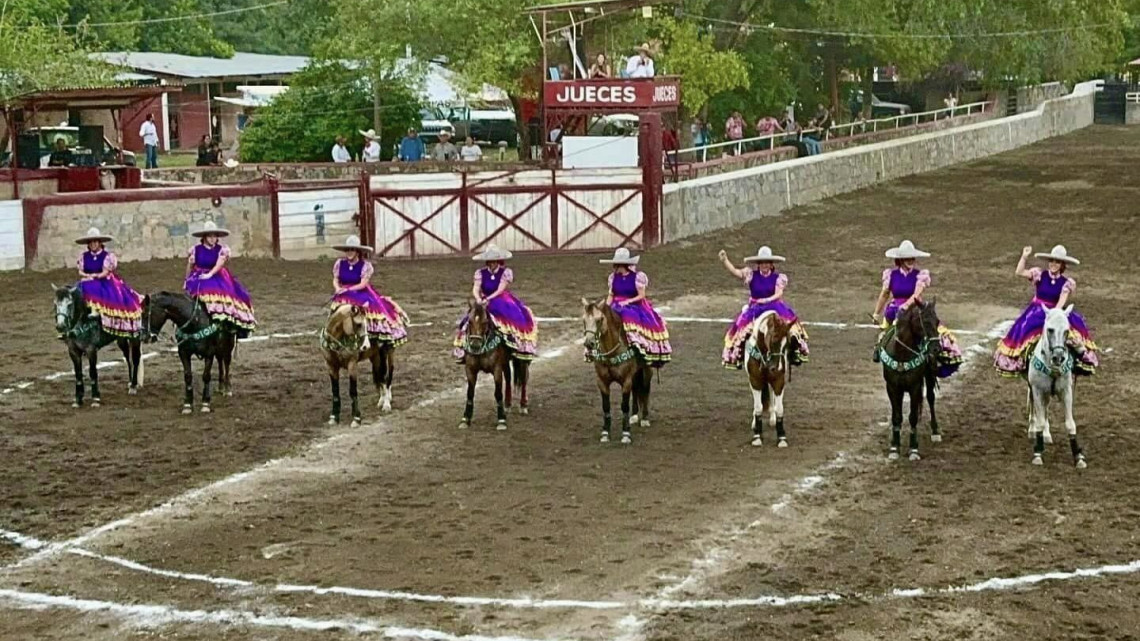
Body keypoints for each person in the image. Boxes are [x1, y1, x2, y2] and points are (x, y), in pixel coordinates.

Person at [994, 245, 1099, 377]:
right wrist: (1024, 257)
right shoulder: (1039, 275)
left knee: (1072, 334)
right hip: (1036, 311)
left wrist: (1054, 316)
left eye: (1057, 262)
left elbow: (1061, 302)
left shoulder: (1066, 283)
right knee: (1025, 330)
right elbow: (1019, 272)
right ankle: (1022, 362)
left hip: (1055, 311)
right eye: (1052, 261)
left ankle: (1077, 361)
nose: (1053, 264)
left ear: (1062, 265)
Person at [871, 240, 962, 377]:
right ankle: (880, 350)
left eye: (912, 258)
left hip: (915, 309)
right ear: (901, 260)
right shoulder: (891, 275)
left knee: (932, 329)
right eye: (907, 258)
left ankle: (938, 358)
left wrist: (906, 306)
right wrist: (877, 313)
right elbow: (884, 294)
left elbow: (916, 294)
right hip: (895, 310)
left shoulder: (920, 275)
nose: (910, 261)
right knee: (885, 335)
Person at [719, 246, 809, 368]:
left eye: (767, 262)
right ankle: (738, 357)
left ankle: (794, 353)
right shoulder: (751, 274)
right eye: (762, 262)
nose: (764, 265)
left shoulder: (778, 278)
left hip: (774, 306)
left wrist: (766, 300)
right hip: (756, 308)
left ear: (771, 264)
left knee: (790, 328)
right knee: (740, 329)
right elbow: (736, 272)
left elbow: (779, 293)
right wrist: (725, 261)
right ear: (758, 264)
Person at [452, 246, 538, 362]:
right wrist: (478, 298)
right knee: (469, 319)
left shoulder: (505, 273)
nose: (492, 264)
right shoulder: (480, 273)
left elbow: (500, 290)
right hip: (484, 299)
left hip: (500, 299)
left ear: (498, 261)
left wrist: (488, 298)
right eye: (490, 261)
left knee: (512, 317)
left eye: (494, 261)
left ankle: (515, 344)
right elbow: (476, 288)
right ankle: (463, 347)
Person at [591, 247, 671, 366]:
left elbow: (642, 295)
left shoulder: (637, 277)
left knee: (628, 315)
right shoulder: (613, 278)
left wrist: (628, 301)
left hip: (634, 305)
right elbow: (611, 295)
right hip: (616, 303)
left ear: (622, 265)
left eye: (616, 265)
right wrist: (606, 308)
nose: (614, 267)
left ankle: (635, 343)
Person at [330, 235, 408, 347]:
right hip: (343, 293)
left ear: (357, 251)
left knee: (366, 306)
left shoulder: (365, 266)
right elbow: (335, 279)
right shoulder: (339, 263)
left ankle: (369, 334)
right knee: (336, 308)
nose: (349, 252)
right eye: (347, 250)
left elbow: (362, 284)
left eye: (352, 249)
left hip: (359, 292)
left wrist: (347, 290)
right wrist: (337, 288)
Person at [184, 221, 257, 337]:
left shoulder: (221, 250)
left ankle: (226, 325)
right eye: (210, 236)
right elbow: (190, 268)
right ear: (204, 237)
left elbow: (219, 264)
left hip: (216, 275)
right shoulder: (195, 250)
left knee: (221, 294)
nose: (213, 238)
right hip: (198, 276)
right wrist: (187, 276)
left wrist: (210, 274)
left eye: (214, 236)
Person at [69, 228, 143, 339]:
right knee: (76, 289)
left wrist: (95, 276)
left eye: (95, 241)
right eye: (91, 242)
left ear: (99, 243)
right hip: (89, 279)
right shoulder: (84, 256)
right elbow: (80, 270)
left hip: (104, 281)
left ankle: (96, 311)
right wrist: (86, 276)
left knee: (92, 287)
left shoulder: (107, 256)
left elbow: (105, 272)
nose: (93, 244)